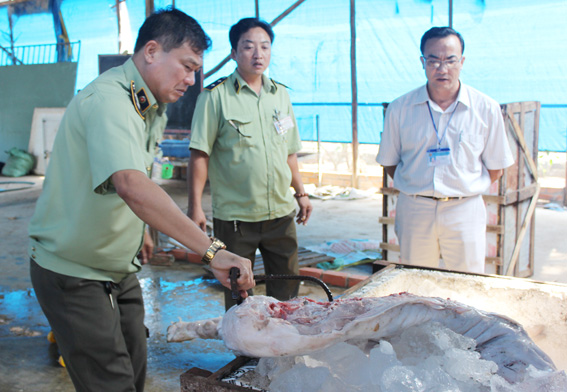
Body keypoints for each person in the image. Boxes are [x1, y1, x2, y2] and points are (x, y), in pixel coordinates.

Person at [28, 8, 254, 392]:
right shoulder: (111, 100)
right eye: (186, 66)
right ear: (151, 51)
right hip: (75, 270)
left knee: (134, 368)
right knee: (111, 382)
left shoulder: (149, 105)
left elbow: (143, 177)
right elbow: (130, 184)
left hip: (118, 266)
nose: (192, 79)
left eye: (196, 69)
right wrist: (213, 251)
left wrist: (144, 230)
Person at [188, 17, 312, 310]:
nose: (258, 54)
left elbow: (289, 151)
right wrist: (194, 206)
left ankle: (283, 351)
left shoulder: (279, 94)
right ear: (233, 52)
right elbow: (199, 154)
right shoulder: (215, 96)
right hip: (236, 218)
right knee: (239, 294)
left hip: (280, 213)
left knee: (287, 291)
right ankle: (245, 352)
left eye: (265, 47)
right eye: (248, 47)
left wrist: (301, 192)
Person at [376, 26, 514, 274]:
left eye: (450, 60)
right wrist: (419, 186)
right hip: (416, 208)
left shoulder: (486, 108)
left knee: (468, 281)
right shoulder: (400, 108)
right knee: (415, 280)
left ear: (462, 61)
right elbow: (390, 162)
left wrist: (461, 187)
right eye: (433, 60)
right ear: (422, 62)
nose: (442, 68)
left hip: (464, 209)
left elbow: (496, 167)